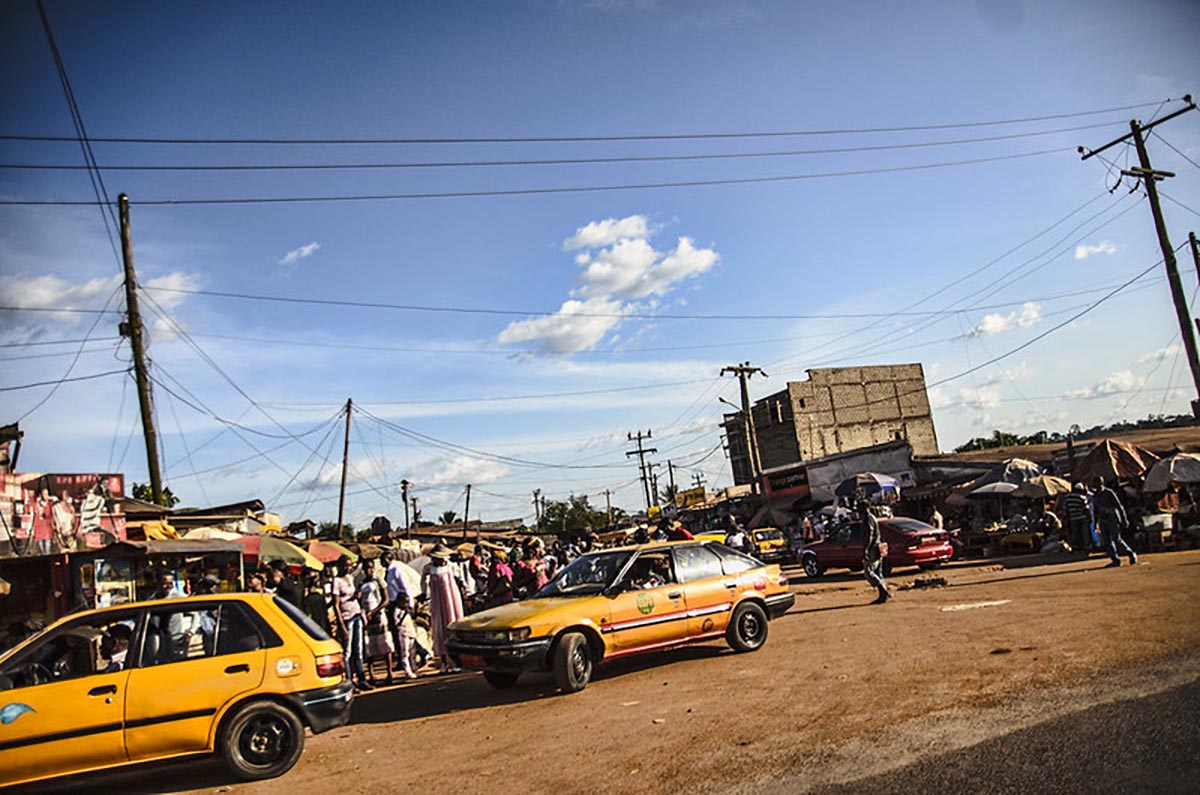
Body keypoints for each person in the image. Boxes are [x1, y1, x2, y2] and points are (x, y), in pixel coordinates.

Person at [422, 543, 466, 673]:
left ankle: (456, 662)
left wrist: (463, 591)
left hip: (452, 600)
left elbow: (460, 580)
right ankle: (443, 662)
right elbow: (423, 582)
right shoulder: (429, 568)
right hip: (437, 601)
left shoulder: (451, 566)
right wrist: (425, 594)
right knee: (440, 629)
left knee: (453, 628)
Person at [332, 555, 371, 691]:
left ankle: (361, 679)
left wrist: (357, 597)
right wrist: (341, 624)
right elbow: (336, 604)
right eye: (345, 565)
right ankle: (349, 682)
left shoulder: (350, 578)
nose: (347, 568)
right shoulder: (336, 581)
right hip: (346, 617)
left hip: (356, 614)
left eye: (349, 565)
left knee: (358, 650)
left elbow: (352, 595)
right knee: (347, 652)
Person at [383, 552, 420, 680]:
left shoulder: (396, 570)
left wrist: (409, 604)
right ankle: (403, 664)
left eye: (384, 560)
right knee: (398, 638)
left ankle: (412, 665)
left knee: (408, 641)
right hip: (393, 604)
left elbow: (405, 587)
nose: (382, 562)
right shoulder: (387, 571)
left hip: (400, 603)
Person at [358, 558, 394, 686]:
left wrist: (374, 611)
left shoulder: (379, 581)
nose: (369, 570)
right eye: (367, 568)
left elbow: (386, 600)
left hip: (378, 615)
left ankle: (389, 673)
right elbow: (359, 599)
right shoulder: (361, 583)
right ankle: (372, 674)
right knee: (369, 646)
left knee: (385, 644)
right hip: (366, 617)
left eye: (371, 567)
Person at [1093, 476, 1137, 568]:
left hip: (1112, 519)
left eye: (1098, 483)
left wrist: (1124, 519)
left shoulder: (1109, 493)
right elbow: (1095, 511)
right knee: (1107, 542)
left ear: (1102, 483)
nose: (1096, 485)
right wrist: (1096, 523)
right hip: (1103, 521)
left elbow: (1119, 506)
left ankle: (1130, 553)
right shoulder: (1095, 496)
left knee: (1117, 538)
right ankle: (1115, 560)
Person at [859, 499, 890, 604]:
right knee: (878, 572)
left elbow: (869, 535)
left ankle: (883, 591)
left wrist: (866, 549)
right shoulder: (873, 518)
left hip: (873, 548)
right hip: (876, 546)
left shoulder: (868, 519)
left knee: (869, 572)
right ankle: (883, 594)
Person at [1058, 483, 1093, 553]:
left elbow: (1065, 509)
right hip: (1082, 518)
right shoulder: (1082, 497)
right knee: (1085, 533)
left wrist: (1065, 518)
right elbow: (1086, 509)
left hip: (1073, 518)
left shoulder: (1067, 498)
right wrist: (1090, 518)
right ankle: (1087, 547)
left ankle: (1074, 546)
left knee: (1075, 533)